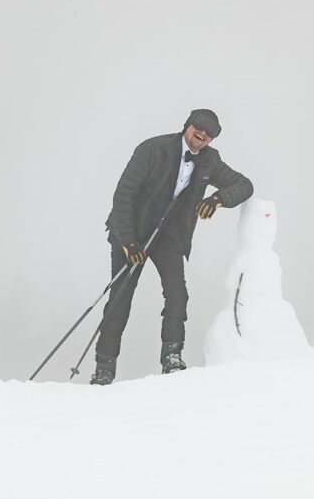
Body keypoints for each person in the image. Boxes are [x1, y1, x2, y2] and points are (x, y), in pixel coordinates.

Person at [91, 109, 254, 384]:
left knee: (178, 295)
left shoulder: (210, 161)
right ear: (186, 127)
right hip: (131, 232)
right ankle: (104, 367)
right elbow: (124, 196)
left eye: (206, 138)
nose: (199, 140)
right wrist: (128, 241)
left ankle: (172, 358)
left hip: (168, 237)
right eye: (196, 133)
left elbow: (244, 185)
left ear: (211, 141)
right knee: (120, 299)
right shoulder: (152, 149)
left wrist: (217, 198)